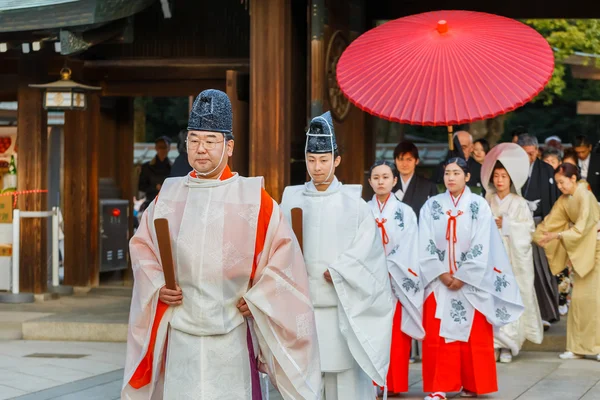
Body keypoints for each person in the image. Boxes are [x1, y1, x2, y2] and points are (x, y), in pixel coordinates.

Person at [122, 89, 321, 400]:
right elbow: (142, 246)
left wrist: (259, 297)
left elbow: (285, 258)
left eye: (211, 140)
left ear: (229, 146)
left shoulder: (254, 199)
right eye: (194, 139)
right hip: (181, 334)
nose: (201, 149)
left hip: (232, 333)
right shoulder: (169, 196)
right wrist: (158, 285)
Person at [280, 111, 394, 400]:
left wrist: (342, 270)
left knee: (344, 383)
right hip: (301, 310)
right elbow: (277, 246)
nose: (317, 167)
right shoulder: (290, 198)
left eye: (324, 159)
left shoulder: (354, 204)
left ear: (336, 160)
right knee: (303, 383)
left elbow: (369, 252)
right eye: (311, 159)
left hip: (340, 308)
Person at [418, 157, 523, 400]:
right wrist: (442, 273)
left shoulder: (479, 205)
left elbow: (483, 244)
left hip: (472, 282)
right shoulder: (431, 206)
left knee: (474, 337)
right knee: (438, 336)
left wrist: (463, 275)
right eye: (447, 173)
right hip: (438, 281)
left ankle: (473, 384)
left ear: (467, 176)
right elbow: (425, 243)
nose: (451, 177)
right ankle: (439, 386)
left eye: (456, 172)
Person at [481, 143, 544, 364]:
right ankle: (494, 344)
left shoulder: (519, 203)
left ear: (511, 179)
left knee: (510, 299)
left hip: (511, 259)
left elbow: (528, 231)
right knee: (492, 300)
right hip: (491, 260)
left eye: (504, 176)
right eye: (496, 176)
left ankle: (509, 345)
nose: (499, 181)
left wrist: (506, 224)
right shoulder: (486, 201)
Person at [367, 160, 425, 396]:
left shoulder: (405, 212)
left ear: (393, 180)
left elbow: (410, 247)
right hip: (369, 283)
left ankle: (394, 384)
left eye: (385, 177)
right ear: (370, 181)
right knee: (369, 334)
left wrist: (388, 267)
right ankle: (371, 384)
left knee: (394, 338)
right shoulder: (362, 210)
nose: (380, 181)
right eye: (376, 177)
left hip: (395, 283)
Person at [533, 163, 600, 361]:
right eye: (558, 183)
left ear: (573, 179)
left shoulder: (585, 195)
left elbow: (582, 229)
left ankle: (596, 346)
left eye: (563, 182)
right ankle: (577, 347)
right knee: (578, 301)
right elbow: (550, 221)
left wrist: (557, 235)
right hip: (582, 252)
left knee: (594, 301)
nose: (560, 187)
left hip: (595, 250)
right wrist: (537, 234)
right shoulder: (565, 200)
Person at [517, 133, 561, 328]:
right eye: (526, 153)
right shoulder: (512, 169)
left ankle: (546, 313)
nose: (530, 157)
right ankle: (523, 315)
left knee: (542, 269)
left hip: (540, 224)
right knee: (521, 269)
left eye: (533, 153)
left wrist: (549, 224)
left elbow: (554, 200)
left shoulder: (546, 170)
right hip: (517, 226)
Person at [393, 141, 438, 218]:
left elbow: (435, 215)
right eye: (401, 159)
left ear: (416, 161)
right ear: (395, 161)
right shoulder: (389, 185)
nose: (404, 164)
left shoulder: (428, 186)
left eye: (409, 160)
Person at [138, 136, 172, 212]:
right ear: (156, 148)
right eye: (160, 147)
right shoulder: (146, 167)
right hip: (151, 203)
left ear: (169, 149)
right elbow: (141, 186)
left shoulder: (173, 167)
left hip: (168, 205)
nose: (162, 150)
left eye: (165, 147)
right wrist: (154, 187)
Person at [573, 135, 600, 200]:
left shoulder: (598, 160)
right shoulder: (571, 160)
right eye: (578, 152)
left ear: (590, 147)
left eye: (583, 152)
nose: (581, 155)